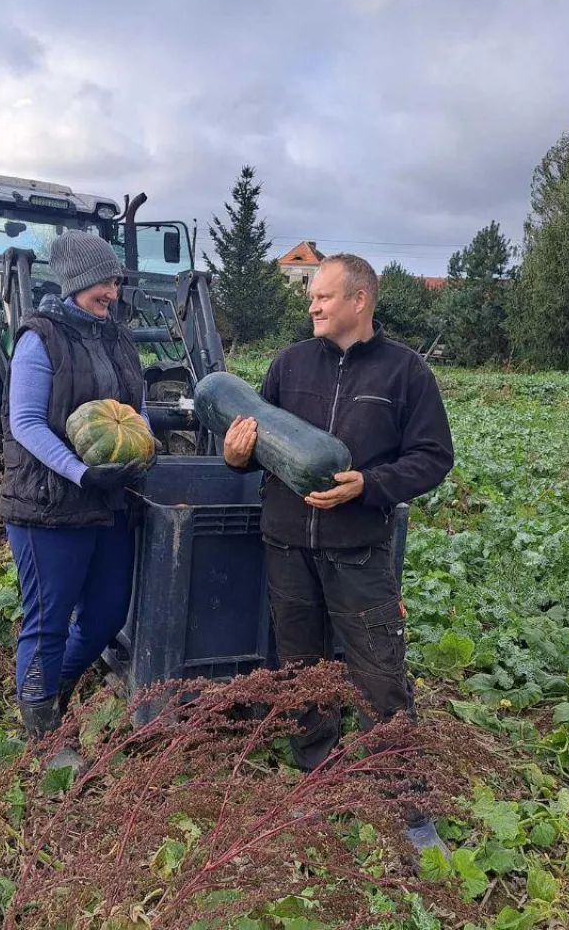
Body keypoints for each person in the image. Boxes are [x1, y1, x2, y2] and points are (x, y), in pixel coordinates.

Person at [222, 253, 455, 855]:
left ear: (360, 299)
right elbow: (257, 448)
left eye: (323, 297)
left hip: (358, 549)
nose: (313, 306)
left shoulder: (406, 373)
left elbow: (433, 457)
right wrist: (235, 454)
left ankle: (409, 806)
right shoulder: (288, 364)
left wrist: (368, 486)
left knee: (380, 672)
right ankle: (316, 777)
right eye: (312, 298)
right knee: (301, 669)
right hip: (287, 542)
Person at [0, 230, 154, 767]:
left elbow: (136, 410)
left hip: (110, 501)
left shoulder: (119, 338)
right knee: (48, 618)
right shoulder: (40, 337)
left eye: (114, 281)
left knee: (108, 612)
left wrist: (142, 449)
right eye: (101, 283)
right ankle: (43, 737)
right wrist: (83, 473)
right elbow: (25, 424)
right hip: (48, 504)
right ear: (76, 283)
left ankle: (50, 682)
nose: (111, 291)